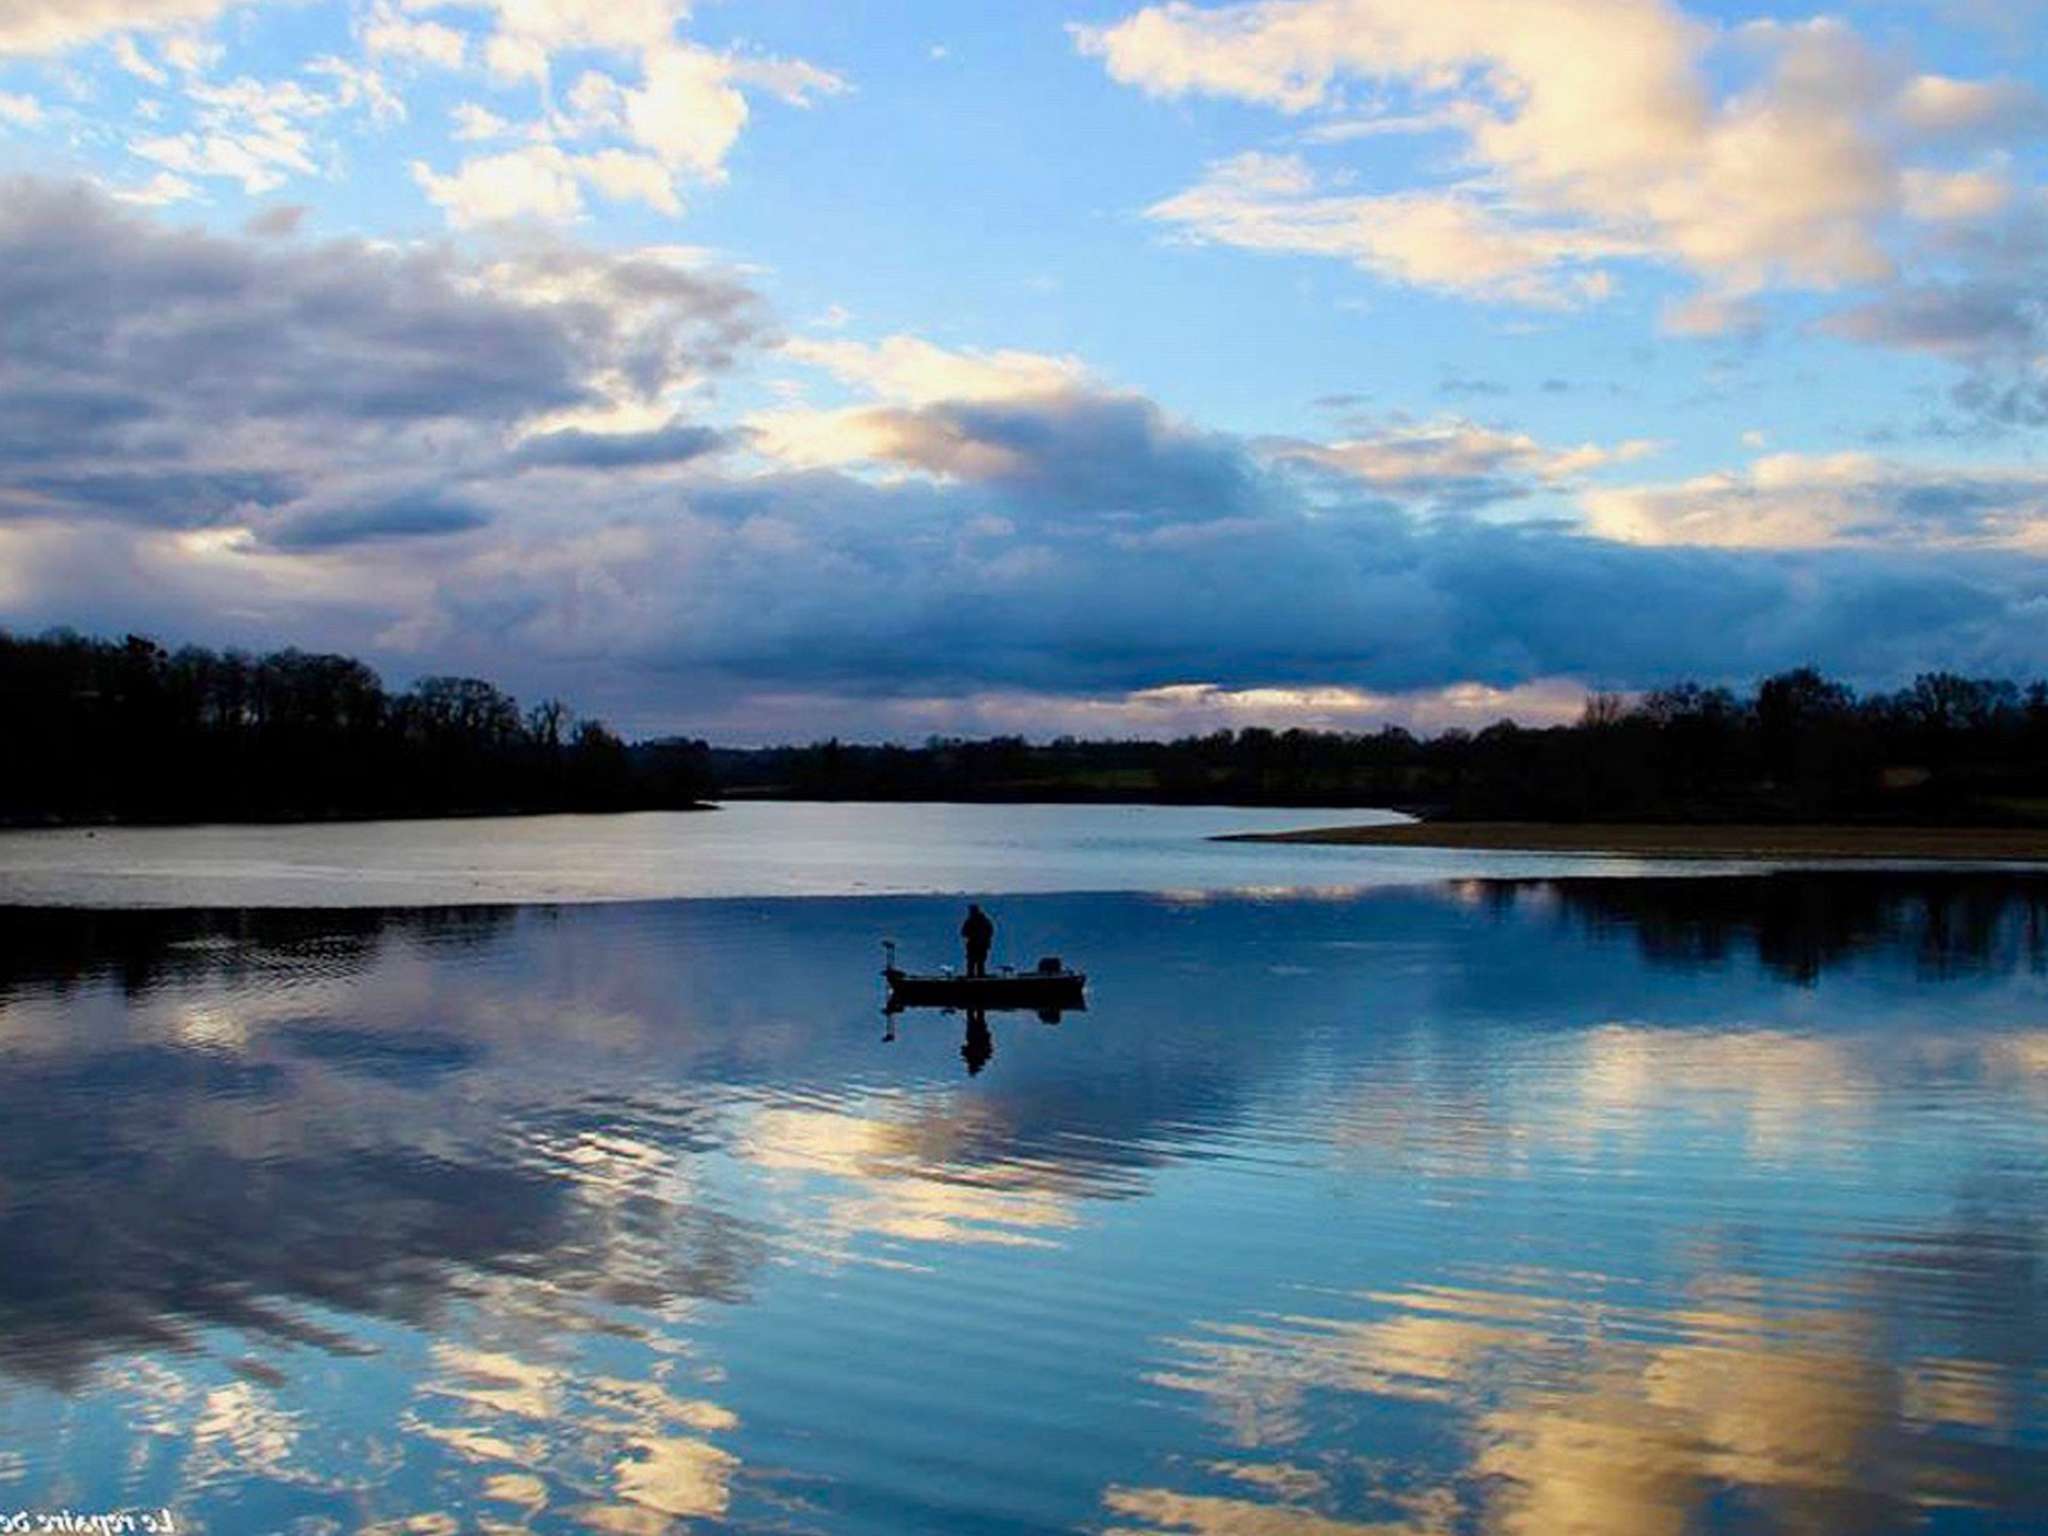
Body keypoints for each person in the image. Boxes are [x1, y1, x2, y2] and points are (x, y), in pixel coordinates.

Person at [960, 903, 994, 977]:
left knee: (976, 961)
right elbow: (990, 931)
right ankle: (977, 975)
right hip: (979, 944)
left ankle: (974, 975)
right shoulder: (984, 920)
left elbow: (963, 932)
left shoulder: (972, 921)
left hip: (976, 944)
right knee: (977, 961)